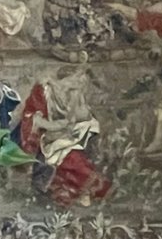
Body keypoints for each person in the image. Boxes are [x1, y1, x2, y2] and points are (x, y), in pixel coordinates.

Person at [19, 68, 111, 207]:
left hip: (67, 135)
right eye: (75, 80)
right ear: (65, 79)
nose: (78, 83)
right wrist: (55, 126)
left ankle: (80, 192)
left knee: (77, 152)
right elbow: (34, 118)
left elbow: (81, 116)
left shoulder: (74, 92)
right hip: (50, 136)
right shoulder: (46, 91)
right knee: (70, 158)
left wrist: (76, 118)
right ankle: (76, 191)